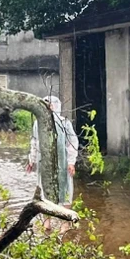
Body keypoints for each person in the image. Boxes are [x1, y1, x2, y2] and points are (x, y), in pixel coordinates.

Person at [26, 96, 78, 233]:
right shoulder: (38, 123)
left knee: (65, 189)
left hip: (62, 162)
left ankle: (65, 222)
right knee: (44, 189)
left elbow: (72, 142)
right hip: (45, 163)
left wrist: (71, 162)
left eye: (50, 105)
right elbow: (35, 142)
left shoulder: (64, 123)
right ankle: (47, 222)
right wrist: (32, 159)